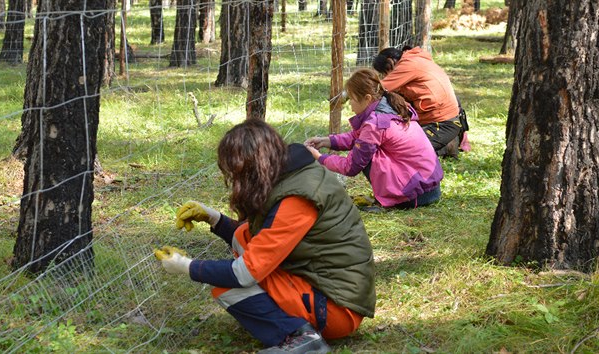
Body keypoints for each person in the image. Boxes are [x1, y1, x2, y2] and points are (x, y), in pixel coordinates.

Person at [156, 119, 376, 353]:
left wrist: (185, 266)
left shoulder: (297, 199)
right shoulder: (294, 174)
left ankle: (301, 338)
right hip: (328, 286)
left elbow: (245, 273)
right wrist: (214, 219)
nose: (235, 181)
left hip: (336, 308)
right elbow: (259, 239)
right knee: (243, 235)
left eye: (236, 173)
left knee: (227, 286)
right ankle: (294, 325)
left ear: (251, 167)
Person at [305, 68, 443, 210]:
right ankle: (394, 195)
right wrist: (326, 141)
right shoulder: (390, 107)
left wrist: (319, 158)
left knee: (366, 154)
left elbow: (351, 166)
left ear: (367, 98)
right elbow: (358, 136)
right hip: (429, 187)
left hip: (414, 195)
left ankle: (395, 200)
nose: (350, 105)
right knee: (365, 148)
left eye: (351, 99)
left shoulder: (375, 123)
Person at [373, 46, 470, 158]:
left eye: (386, 73)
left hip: (441, 123)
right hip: (446, 118)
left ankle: (445, 146)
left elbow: (378, 89)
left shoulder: (407, 65)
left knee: (400, 151)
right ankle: (447, 143)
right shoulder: (416, 59)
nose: (387, 77)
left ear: (390, 62)